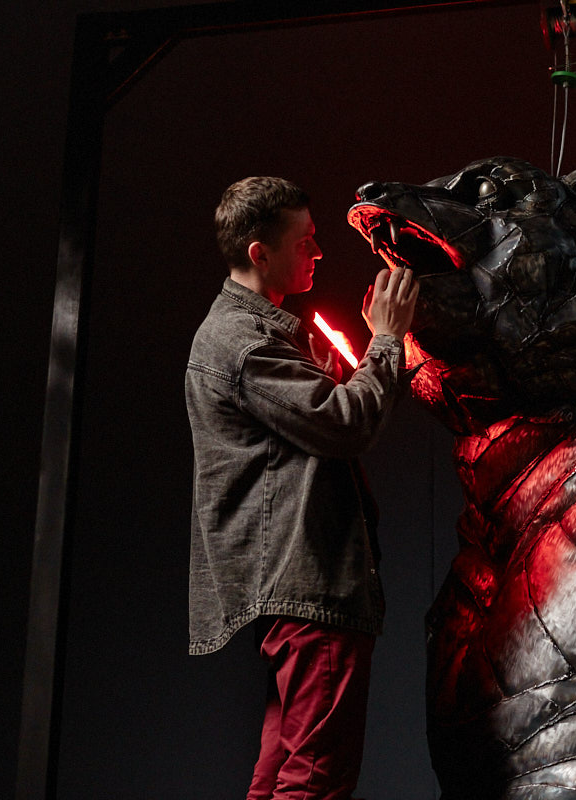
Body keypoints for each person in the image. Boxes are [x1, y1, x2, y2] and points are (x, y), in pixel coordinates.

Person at [185, 176, 418, 800]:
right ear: (260, 253)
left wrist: (337, 371)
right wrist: (387, 338)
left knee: (281, 775)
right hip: (308, 587)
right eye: (305, 241)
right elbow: (348, 424)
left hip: (298, 594)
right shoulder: (245, 344)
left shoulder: (256, 336)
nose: (318, 252)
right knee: (315, 779)